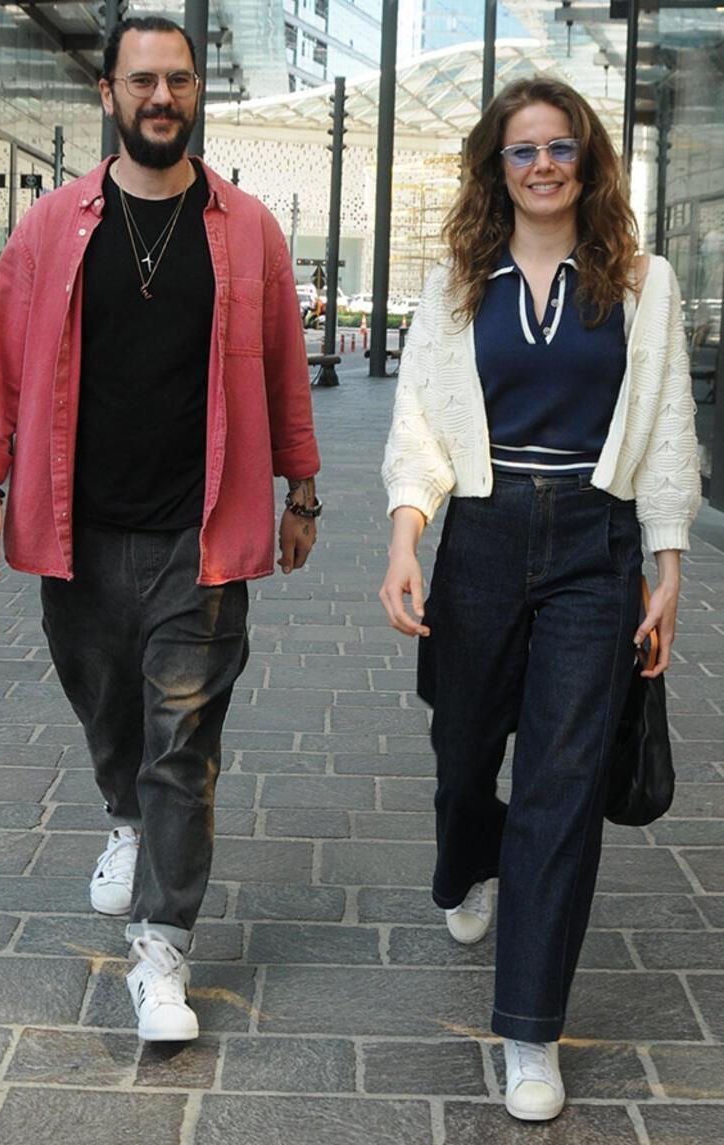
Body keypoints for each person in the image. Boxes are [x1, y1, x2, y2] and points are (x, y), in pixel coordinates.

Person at [0, 16, 320, 1042]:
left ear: (198, 93)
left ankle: (161, 948)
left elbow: (286, 371)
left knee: (183, 746)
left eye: (180, 80)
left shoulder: (247, 229)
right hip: (74, 532)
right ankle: (122, 813)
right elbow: (1, 364)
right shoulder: (51, 227)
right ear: (108, 94)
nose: (163, 97)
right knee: (110, 713)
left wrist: (301, 492)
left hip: (200, 537)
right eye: (143, 80)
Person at [379, 77, 700, 1121]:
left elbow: (668, 424)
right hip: (480, 533)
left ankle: (529, 1028)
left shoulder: (642, 282)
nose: (543, 165)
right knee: (463, 750)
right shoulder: (456, 283)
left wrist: (666, 561)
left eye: (560, 146)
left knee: (562, 784)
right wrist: (405, 537)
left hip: (592, 548)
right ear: (497, 167)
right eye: (522, 150)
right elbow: (418, 422)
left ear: (588, 159)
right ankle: (466, 860)